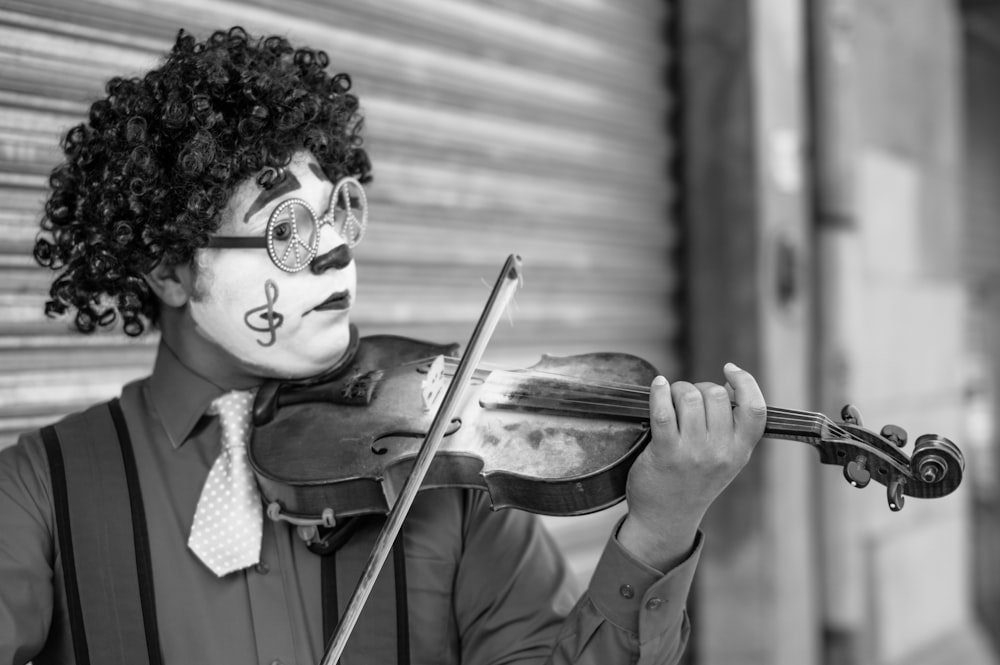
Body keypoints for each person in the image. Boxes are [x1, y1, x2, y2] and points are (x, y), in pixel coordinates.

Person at [0, 26, 767, 665]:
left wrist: (659, 531)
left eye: (337, 211)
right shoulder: (42, 486)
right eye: (287, 231)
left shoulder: (441, 454)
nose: (334, 249)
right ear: (170, 268)